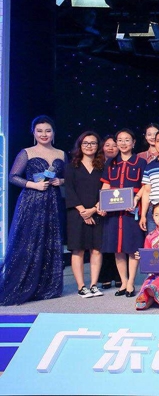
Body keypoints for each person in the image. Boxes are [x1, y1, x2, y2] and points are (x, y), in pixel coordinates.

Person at [0, 116, 67, 306]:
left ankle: (46, 286)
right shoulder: (26, 153)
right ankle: (22, 284)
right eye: (40, 131)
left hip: (53, 202)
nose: (44, 134)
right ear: (34, 133)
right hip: (31, 201)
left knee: (50, 241)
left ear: (53, 133)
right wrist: (33, 185)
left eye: (48, 131)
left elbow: (69, 177)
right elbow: (13, 176)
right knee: (28, 241)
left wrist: (60, 181)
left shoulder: (61, 154)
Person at [98, 128, 147, 298]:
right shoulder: (111, 163)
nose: (123, 143)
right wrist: (101, 203)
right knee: (117, 248)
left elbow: (145, 186)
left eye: (127, 140)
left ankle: (131, 282)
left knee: (132, 247)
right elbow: (106, 185)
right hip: (113, 212)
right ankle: (123, 281)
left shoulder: (141, 162)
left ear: (133, 143)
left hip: (131, 211)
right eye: (120, 140)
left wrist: (136, 199)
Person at [64, 131, 105, 298]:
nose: (89, 146)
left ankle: (94, 285)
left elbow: (106, 190)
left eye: (93, 143)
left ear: (98, 146)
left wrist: (93, 210)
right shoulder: (71, 166)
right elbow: (69, 190)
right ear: (80, 146)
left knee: (96, 249)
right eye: (86, 143)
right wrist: (83, 212)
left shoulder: (103, 166)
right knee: (78, 250)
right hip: (76, 213)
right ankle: (81, 286)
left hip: (98, 212)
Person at [99, 135, 122, 289]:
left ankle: (119, 276)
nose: (111, 148)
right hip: (100, 207)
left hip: (117, 206)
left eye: (114, 145)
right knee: (105, 244)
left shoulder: (121, 163)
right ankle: (105, 276)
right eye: (107, 145)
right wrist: (100, 204)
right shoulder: (98, 164)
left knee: (118, 244)